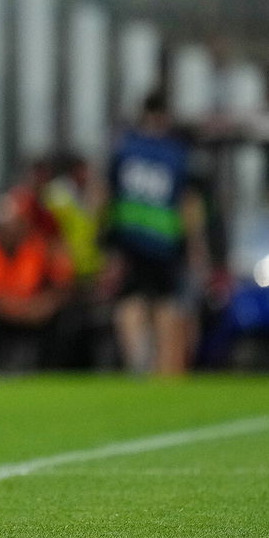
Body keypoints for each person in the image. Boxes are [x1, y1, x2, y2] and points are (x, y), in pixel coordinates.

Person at [103, 91, 207, 375]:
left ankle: (136, 358)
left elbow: (105, 194)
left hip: (128, 235)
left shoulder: (124, 148)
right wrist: (196, 246)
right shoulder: (177, 152)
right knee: (166, 303)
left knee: (130, 300)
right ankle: (165, 366)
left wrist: (103, 239)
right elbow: (188, 202)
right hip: (164, 238)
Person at [0, 189, 74, 372]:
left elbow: (60, 286)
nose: (9, 229)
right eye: (3, 224)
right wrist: (14, 309)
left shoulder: (39, 248)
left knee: (64, 320)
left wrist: (41, 306)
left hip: (32, 315)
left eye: (14, 223)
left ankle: (50, 373)